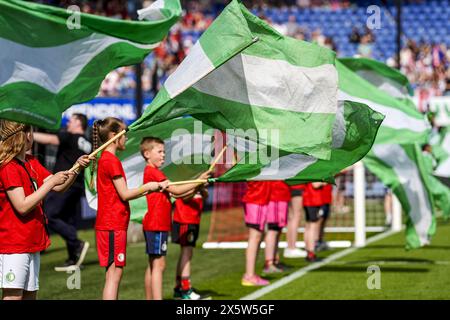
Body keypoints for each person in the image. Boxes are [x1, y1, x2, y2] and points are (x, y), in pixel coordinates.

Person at [0, 120, 90, 300]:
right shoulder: (8, 167)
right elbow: (22, 206)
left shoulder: (31, 161)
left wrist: (77, 167)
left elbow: (59, 186)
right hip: (15, 243)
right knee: (13, 296)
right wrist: (51, 184)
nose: (32, 135)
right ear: (25, 135)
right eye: (31, 131)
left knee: (30, 296)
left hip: (32, 241)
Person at [92, 118, 167, 300]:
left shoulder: (107, 160)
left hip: (112, 223)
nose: (126, 137)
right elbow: (124, 194)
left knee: (113, 275)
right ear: (113, 136)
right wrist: (149, 187)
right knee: (114, 276)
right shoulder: (111, 161)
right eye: (123, 133)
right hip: (112, 223)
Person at [140, 137, 210, 300]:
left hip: (158, 224)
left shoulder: (155, 172)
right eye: (160, 152)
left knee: (153, 265)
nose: (163, 155)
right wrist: (198, 180)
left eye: (164, 151)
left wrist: (197, 184)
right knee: (158, 265)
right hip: (156, 224)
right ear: (147, 154)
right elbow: (177, 191)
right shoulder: (153, 172)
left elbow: (180, 194)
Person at [33, 113, 92, 270]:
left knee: (50, 215)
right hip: (78, 184)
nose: (68, 123)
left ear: (79, 123)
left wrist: (27, 134)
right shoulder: (87, 142)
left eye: (71, 120)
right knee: (68, 219)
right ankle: (74, 258)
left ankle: (76, 243)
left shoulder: (69, 136)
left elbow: (50, 140)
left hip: (63, 183)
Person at [172, 185, 209, 300]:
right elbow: (184, 197)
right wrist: (198, 185)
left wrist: (201, 188)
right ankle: (186, 289)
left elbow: (205, 195)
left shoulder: (198, 177)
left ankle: (179, 287)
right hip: (185, 219)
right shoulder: (186, 176)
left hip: (193, 219)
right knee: (186, 253)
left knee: (187, 253)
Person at [241, 181, 271, 286]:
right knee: (255, 237)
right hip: (256, 199)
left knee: (258, 237)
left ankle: (251, 274)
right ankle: (249, 275)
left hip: (260, 199)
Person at [263, 181, 291, 273]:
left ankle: (275, 260)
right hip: (274, 195)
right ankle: (269, 263)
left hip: (282, 194)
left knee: (278, 230)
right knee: (273, 230)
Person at [302, 182, 332, 262]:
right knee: (312, 226)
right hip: (312, 200)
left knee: (309, 226)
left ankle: (309, 251)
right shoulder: (313, 172)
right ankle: (311, 252)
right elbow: (315, 184)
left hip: (310, 199)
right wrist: (325, 182)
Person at [284, 184, 307, 258]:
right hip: (296, 185)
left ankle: (289, 247)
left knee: (291, 217)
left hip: (289, 185)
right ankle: (292, 247)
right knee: (296, 216)